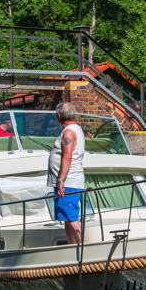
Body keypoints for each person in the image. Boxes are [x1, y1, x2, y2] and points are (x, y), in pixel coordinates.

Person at [47, 102, 85, 244]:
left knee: (71, 217)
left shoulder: (69, 132)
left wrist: (61, 180)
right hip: (68, 182)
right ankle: (72, 248)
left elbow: (67, 157)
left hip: (68, 182)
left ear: (58, 116)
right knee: (66, 218)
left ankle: (82, 249)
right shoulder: (75, 129)